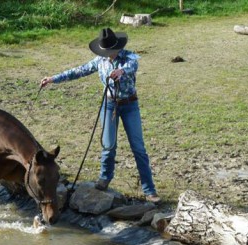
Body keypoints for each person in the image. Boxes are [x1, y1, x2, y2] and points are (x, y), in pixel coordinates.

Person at [40, 27, 160, 203]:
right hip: (109, 105)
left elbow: (132, 66)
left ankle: (149, 190)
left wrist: (121, 71)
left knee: (138, 148)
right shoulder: (100, 61)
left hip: (129, 105)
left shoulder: (129, 56)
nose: (109, 53)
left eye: (111, 50)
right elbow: (78, 71)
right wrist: (53, 79)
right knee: (108, 145)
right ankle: (105, 178)